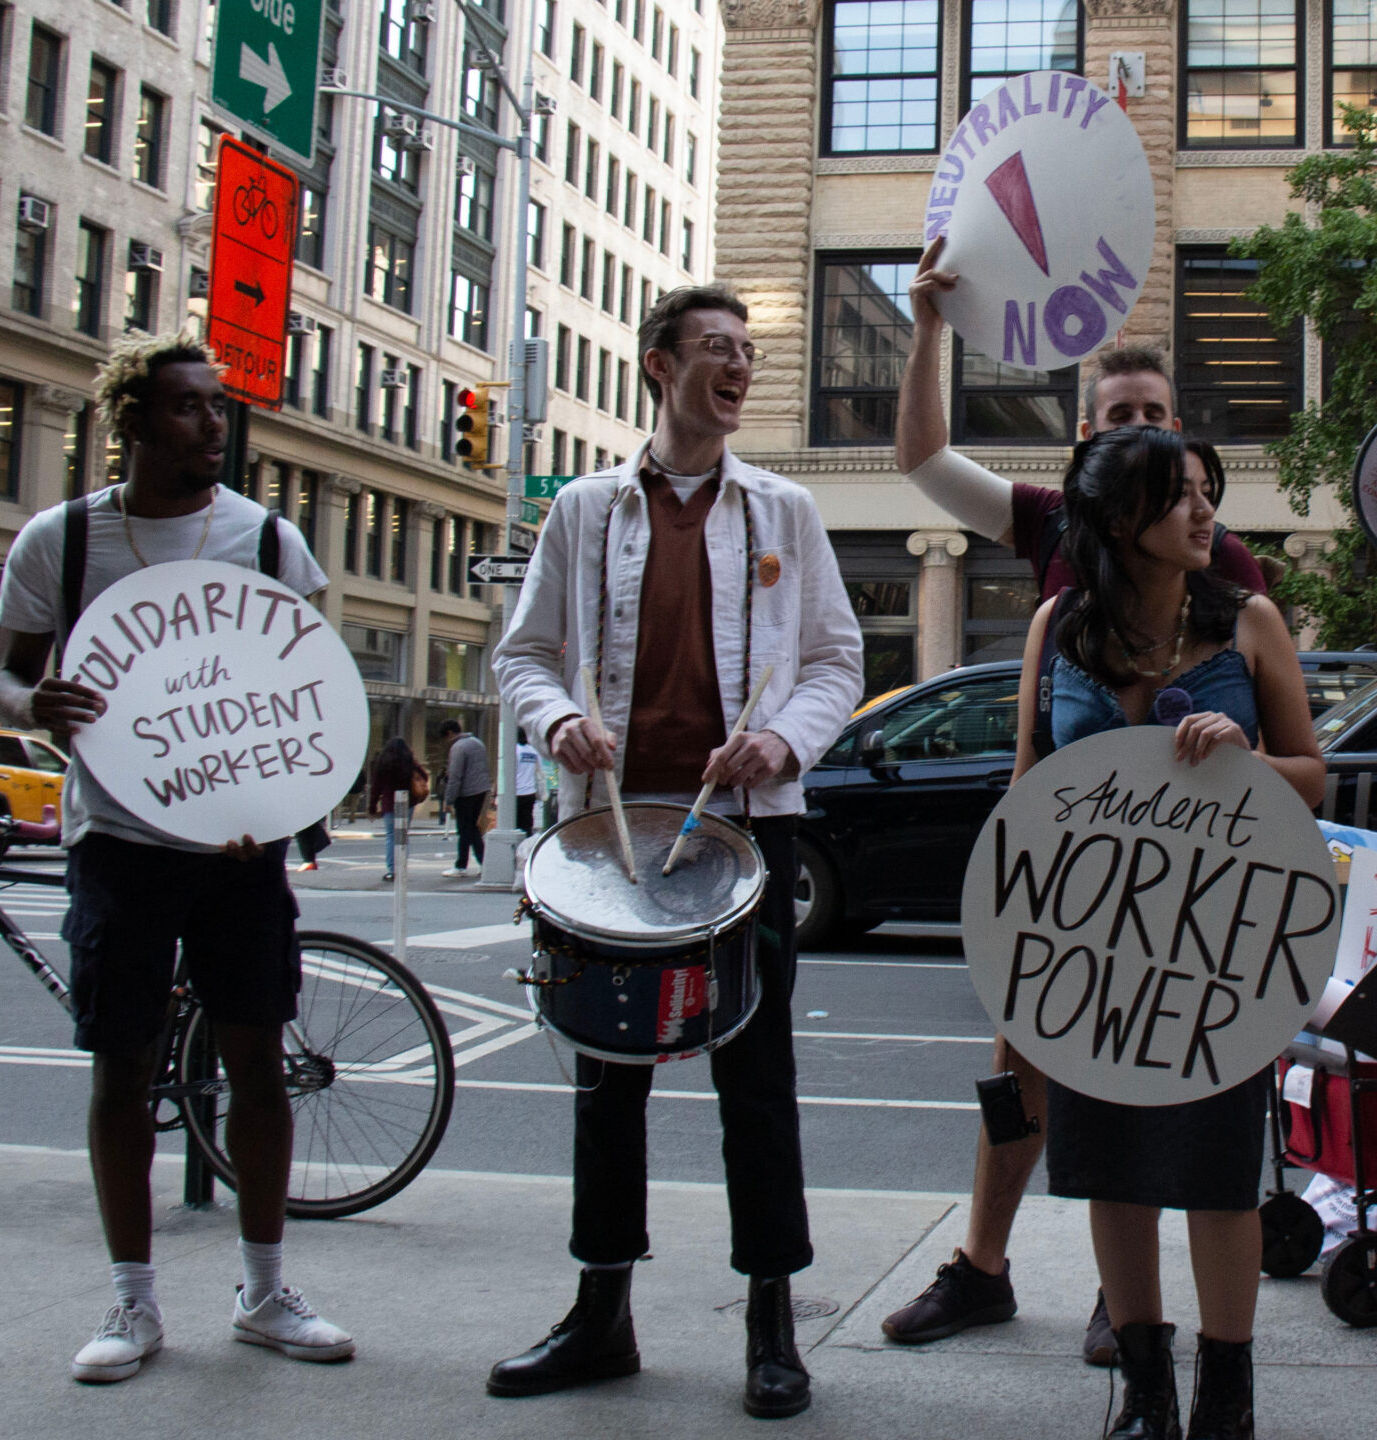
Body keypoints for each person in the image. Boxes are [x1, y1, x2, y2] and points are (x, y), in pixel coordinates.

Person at [883, 237, 1268, 1365]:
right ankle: (983, 1268)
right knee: (1024, 1070)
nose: (1139, 427)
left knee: (1157, 1089)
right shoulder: (1051, 526)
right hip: (1064, 878)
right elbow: (920, 454)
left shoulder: (1225, 565)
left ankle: (1125, 1303)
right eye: (1118, 414)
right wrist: (927, 327)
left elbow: (1273, 731)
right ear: (1087, 434)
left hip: (1180, 886)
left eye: (1157, 411)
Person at [486, 284, 864, 1416]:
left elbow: (836, 659)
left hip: (745, 834)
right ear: (660, 367)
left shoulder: (784, 512)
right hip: (609, 838)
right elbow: (527, 656)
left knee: (758, 1081)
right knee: (607, 1081)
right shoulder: (587, 510)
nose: (737, 367)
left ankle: (771, 1321)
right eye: (715, 350)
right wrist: (557, 721)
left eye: (747, 352)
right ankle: (600, 1312)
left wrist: (782, 742)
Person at [0, 331, 350, 1384]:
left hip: (239, 849)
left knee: (257, 1066)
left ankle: (266, 1289)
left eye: (219, 407)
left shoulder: (270, 543)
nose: (214, 425)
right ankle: (132, 1304)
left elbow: (305, 698)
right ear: (134, 420)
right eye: (191, 408)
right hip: (120, 843)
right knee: (122, 1065)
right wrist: (33, 702)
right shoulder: (60, 542)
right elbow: (8, 680)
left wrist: (280, 800)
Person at [1008, 426, 1324, 1440]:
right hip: (1090, 944)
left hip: (1219, 946)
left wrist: (1246, 758)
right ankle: (1144, 1397)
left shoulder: (1250, 622)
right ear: (1113, 520)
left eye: (1205, 493)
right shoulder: (1058, 624)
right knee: (1110, 1167)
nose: (1203, 515)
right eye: (1177, 497)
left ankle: (1223, 1404)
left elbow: (1313, 780)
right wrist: (1014, 946)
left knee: (1217, 1172)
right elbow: (1023, 788)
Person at [437, 720, 489, 878]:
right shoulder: (477, 743)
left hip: (466, 792)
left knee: (465, 829)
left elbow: (455, 776)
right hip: (481, 789)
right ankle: (481, 862)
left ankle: (462, 865)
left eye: (447, 737)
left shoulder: (458, 748)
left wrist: (449, 799)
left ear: (450, 733)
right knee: (472, 828)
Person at [367, 737, 422, 884]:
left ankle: (392, 870)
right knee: (403, 835)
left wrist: (372, 808)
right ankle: (402, 869)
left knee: (391, 836)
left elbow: (376, 788)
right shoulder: (410, 762)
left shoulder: (383, 763)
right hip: (408, 802)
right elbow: (423, 775)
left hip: (389, 803)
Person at [512, 726, 541, 835]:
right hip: (530, 791)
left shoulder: (514, 750)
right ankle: (527, 848)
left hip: (516, 792)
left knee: (515, 825)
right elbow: (538, 770)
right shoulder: (533, 751)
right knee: (527, 824)